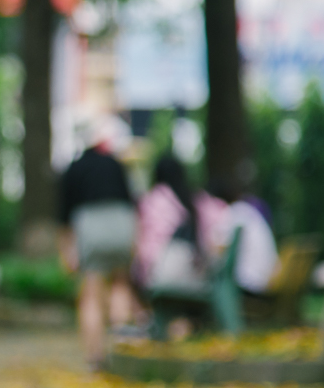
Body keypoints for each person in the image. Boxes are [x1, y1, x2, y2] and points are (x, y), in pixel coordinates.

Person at [58, 115, 136, 370]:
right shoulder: (115, 164)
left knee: (91, 291)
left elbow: (64, 216)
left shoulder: (73, 168)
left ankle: (95, 356)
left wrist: (66, 251)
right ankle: (124, 348)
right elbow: (132, 202)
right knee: (120, 284)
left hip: (90, 224)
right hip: (122, 222)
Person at [134, 154, 229, 291]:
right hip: (194, 274)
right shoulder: (194, 201)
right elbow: (221, 218)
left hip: (162, 275)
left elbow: (146, 250)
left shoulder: (154, 199)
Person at [209, 178, 279, 296]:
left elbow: (217, 250)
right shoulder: (247, 210)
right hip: (267, 280)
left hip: (251, 285)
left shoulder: (233, 212)